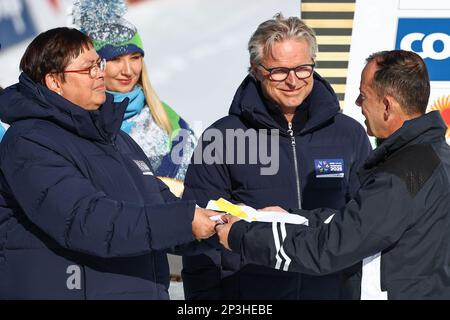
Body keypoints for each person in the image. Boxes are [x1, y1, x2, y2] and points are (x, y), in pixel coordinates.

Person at [0, 27, 217, 300]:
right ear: (54, 81)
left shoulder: (116, 140)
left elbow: (162, 209)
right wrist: (186, 220)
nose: (99, 73)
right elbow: (88, 221)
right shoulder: (29, 142)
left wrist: (226, 222)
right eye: (88, 68)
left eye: (98, 64)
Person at [217, 50, 450, 300]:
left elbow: (329, 248)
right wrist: (287, 217)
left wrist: (241, 236)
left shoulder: (405, 173)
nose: (358, 104)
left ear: (387, 105)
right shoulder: (434, 157)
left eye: (363, 96)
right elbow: (360, 223)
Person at [181, 13, 372, 300]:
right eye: (279, 71)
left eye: (302, 68)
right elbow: (199, 242)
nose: (293, 81)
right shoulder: (221, 138)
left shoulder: (349, 134)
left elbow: (365, 224)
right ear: (256, 70)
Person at [73, 0, 196, 196]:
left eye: (135, 57)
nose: (128, 71)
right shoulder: (81, 124)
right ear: (95, 66)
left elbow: (195, 170)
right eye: (115, 60)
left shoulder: (166, 116)